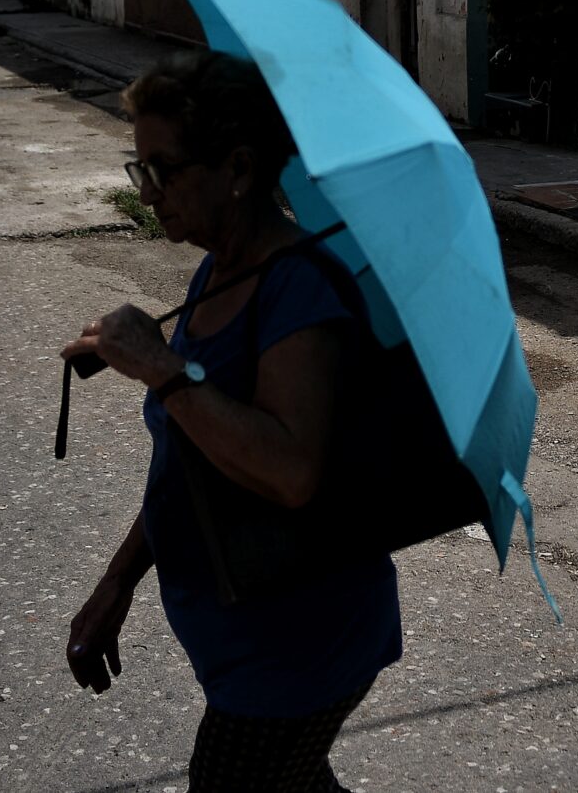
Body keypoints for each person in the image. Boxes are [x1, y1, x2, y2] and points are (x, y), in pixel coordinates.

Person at [62, 49, 397, 791]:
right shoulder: (219, 269)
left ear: (239, 167)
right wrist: (119, 579)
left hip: (297, 649)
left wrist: (161, 366)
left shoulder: (298, 289)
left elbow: (291, 469)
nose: (149, 192)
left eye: (164, 169)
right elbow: (192, 458)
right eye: (140, 168)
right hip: (245, 639)